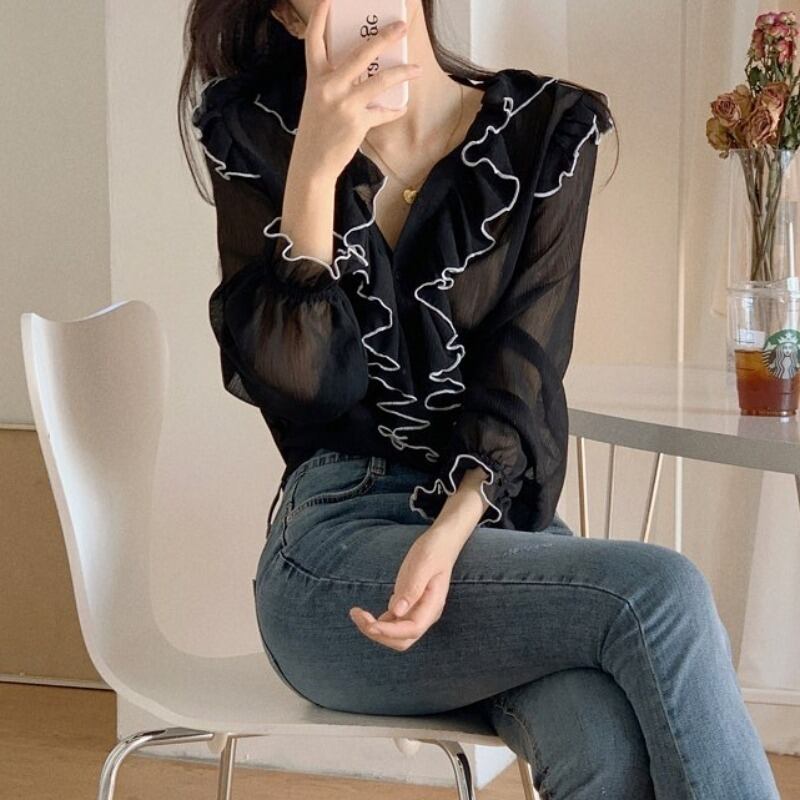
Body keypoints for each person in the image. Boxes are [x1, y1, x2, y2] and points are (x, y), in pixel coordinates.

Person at [178, 1, 781, 797]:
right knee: (662, 594)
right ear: (291, 16)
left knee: (600, 739)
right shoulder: (257, 134)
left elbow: (523, 377)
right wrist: (316, 172)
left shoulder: (545, 131)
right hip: (333, 554)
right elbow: (306, 387)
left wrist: (452, 530)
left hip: (487, 528)